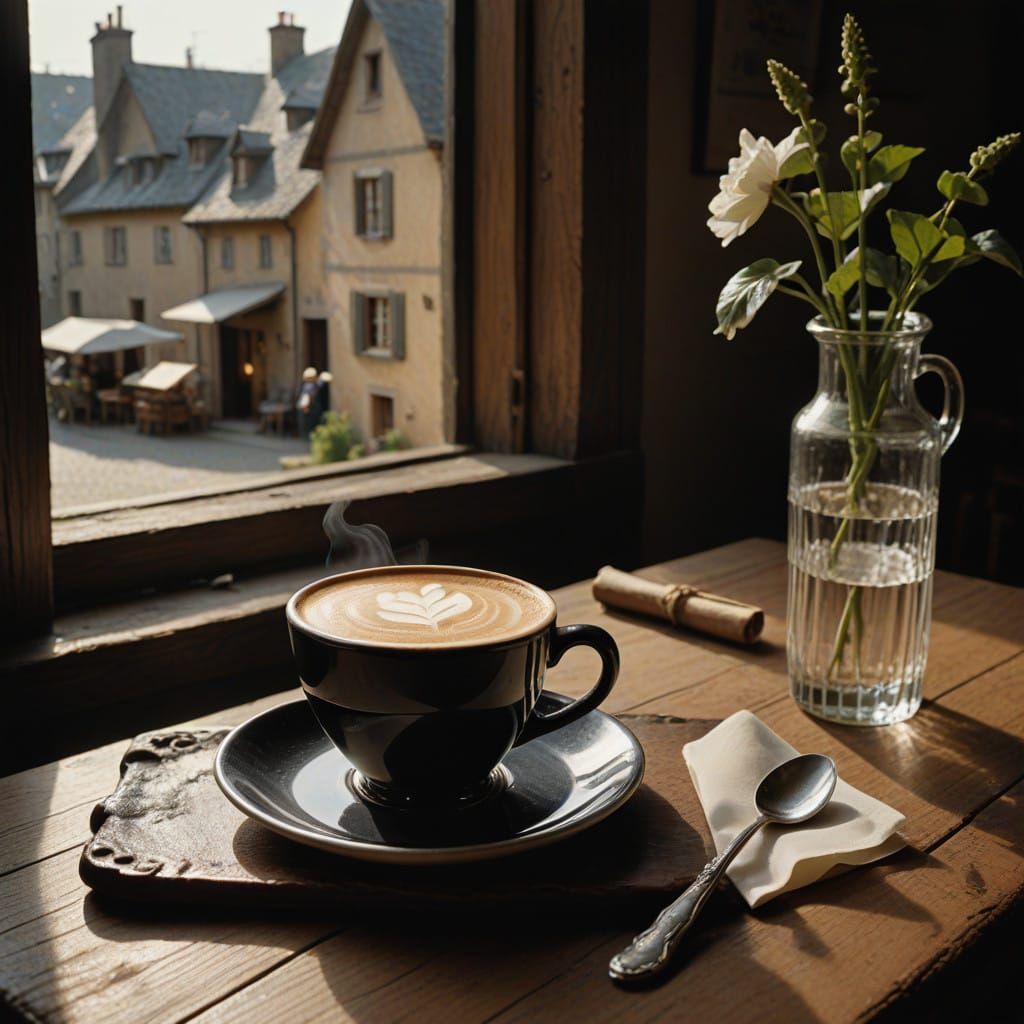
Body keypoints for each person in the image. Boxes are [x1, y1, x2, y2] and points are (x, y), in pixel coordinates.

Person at [296, 366, 319, 437]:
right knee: (310, 425)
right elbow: (306, 397)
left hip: (307, 407)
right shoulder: (310, 385)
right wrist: (305, 407)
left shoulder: (308, 385)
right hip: (308, 408)